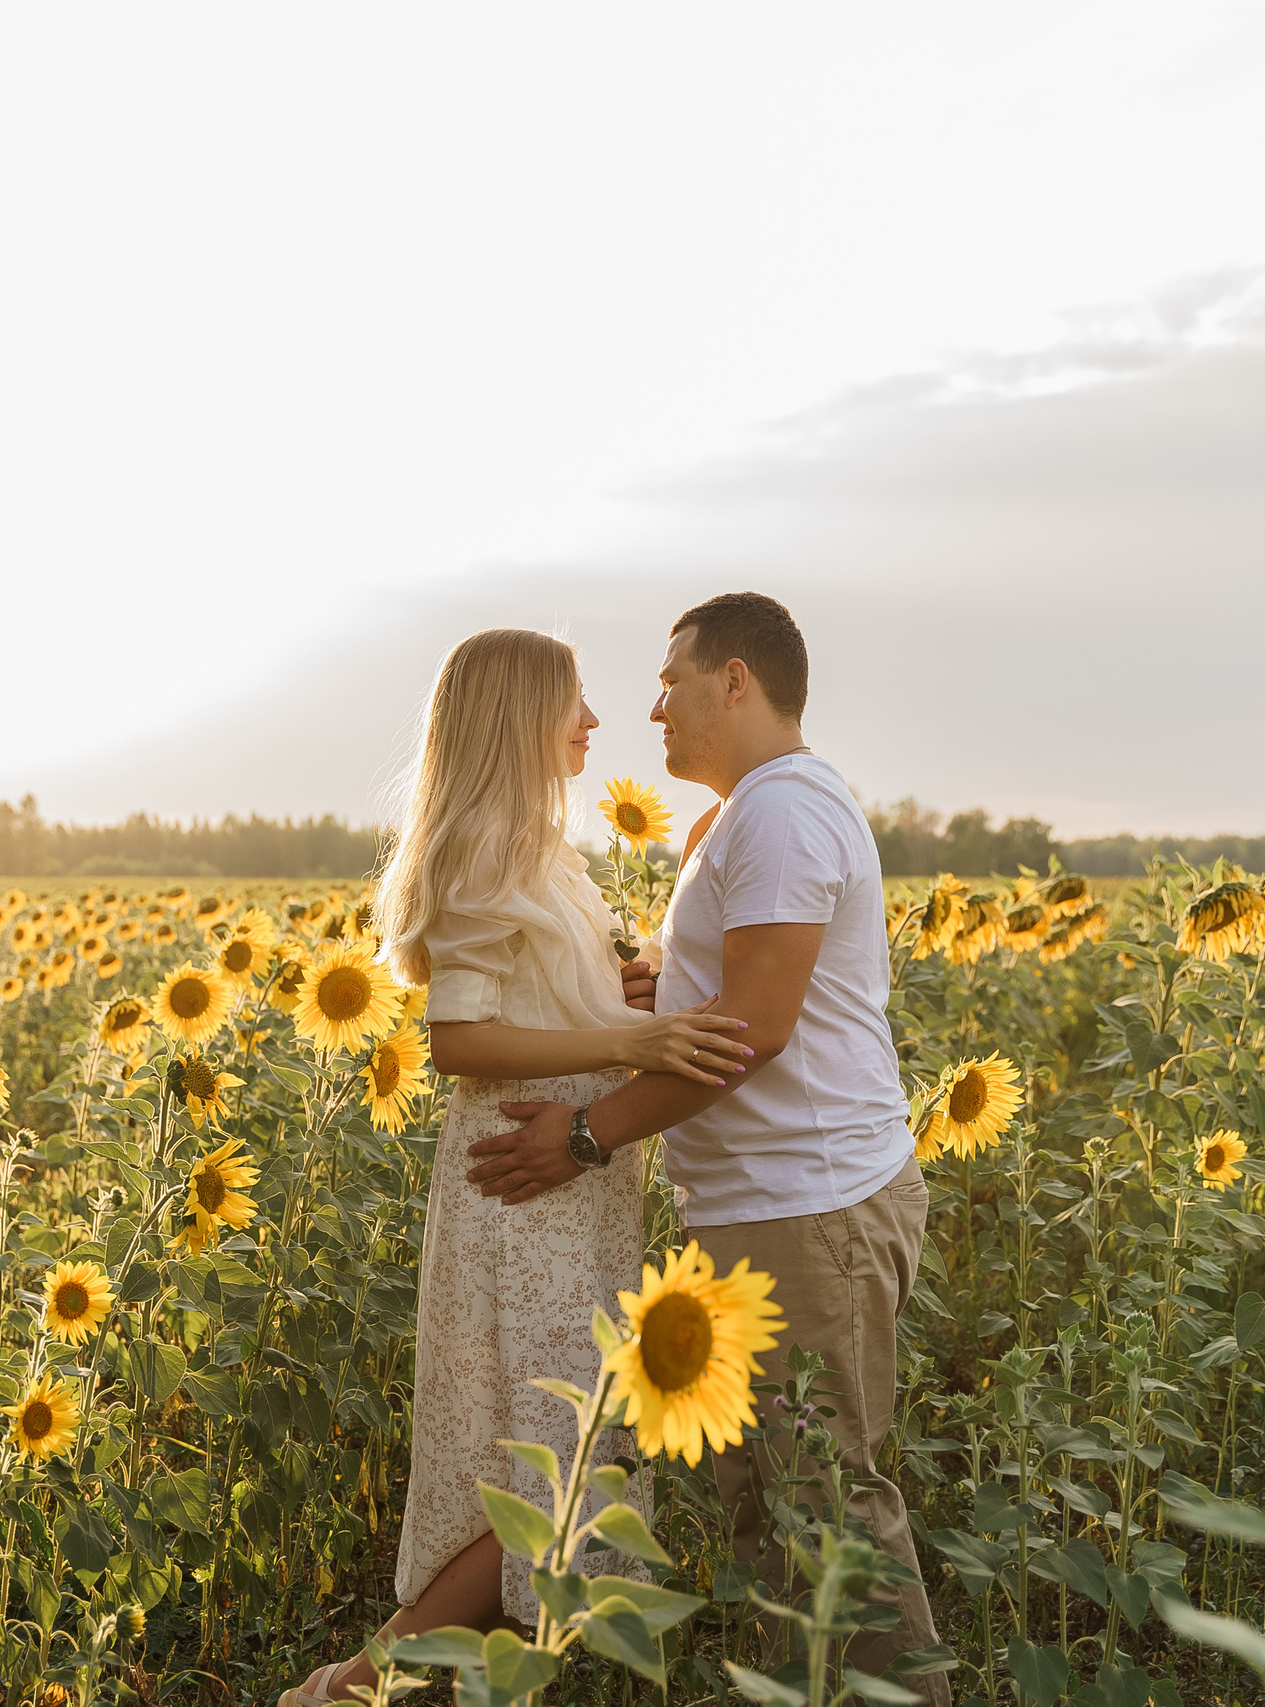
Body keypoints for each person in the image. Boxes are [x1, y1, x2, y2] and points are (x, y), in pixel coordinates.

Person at [464, 591, 946, 1699]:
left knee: (828, 1510)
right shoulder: (750, 817)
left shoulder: (780, 814)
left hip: (805, 1211)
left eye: (671, 680)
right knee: (777, 1508)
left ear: (736, 680)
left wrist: (582, 1135)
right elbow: (737, 997)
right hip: (769, 1205)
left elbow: (757, 1031)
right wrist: (660, 987)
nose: (651, 708)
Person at [281, 628, 755, 1707]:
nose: (594, 723)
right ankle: (351, 1691)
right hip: (521, 1184)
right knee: (557, 1466)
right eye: (574, 703)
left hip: (571, 1182)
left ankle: (379, 1688)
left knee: (553, 1456)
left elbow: (541, 1006)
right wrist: (626, 1043)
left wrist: (616, 998)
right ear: (517, 718)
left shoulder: (541, 851)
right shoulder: (487, 851)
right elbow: (460, 1041)